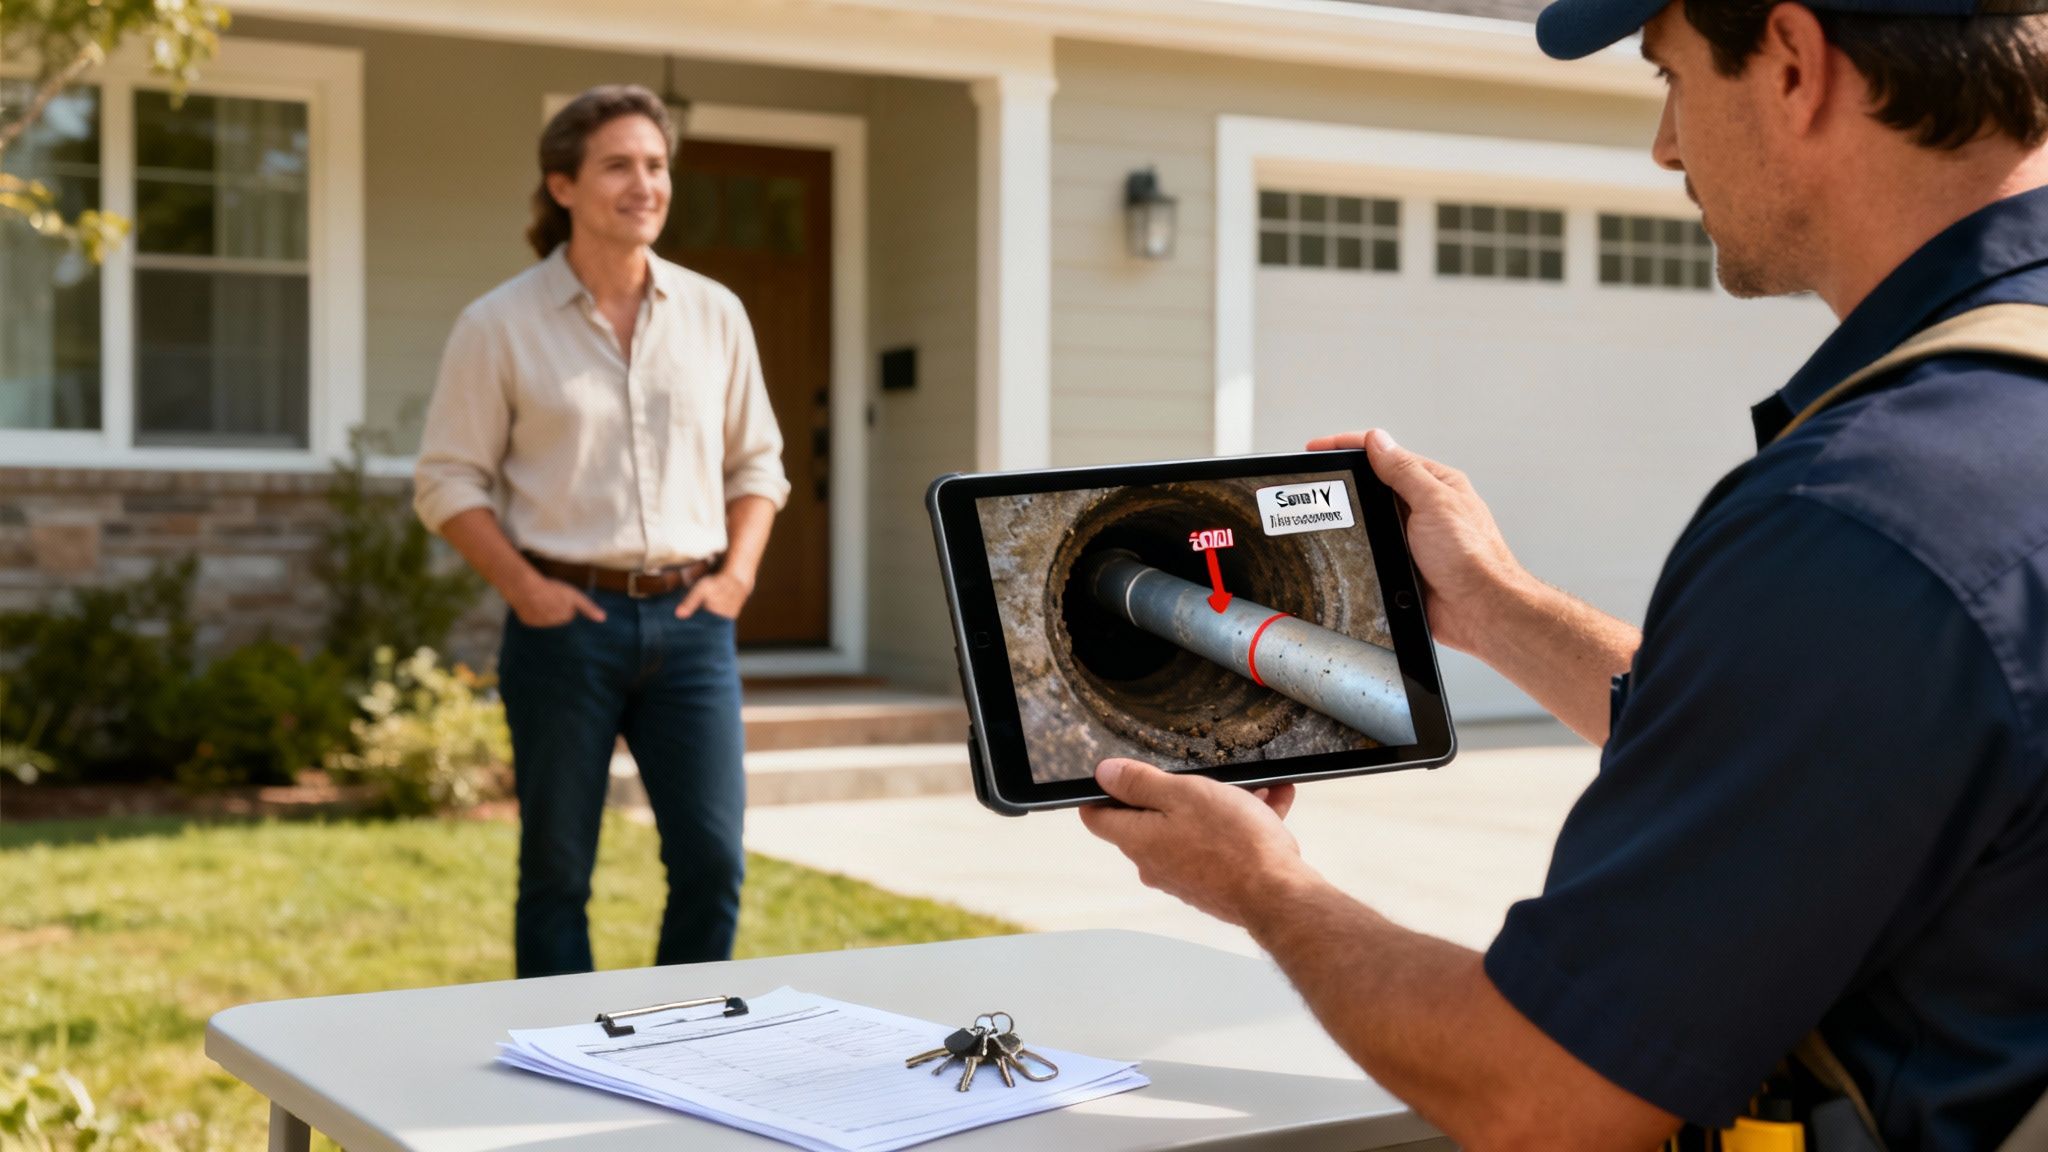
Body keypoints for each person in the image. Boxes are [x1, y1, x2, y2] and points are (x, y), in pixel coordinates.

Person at [1081, 3, 2048, 1148]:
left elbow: (1540, 1095)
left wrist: (1257, 884)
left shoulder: (1864, 515)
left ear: (1790, 64)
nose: (1665, 145)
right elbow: (1834, 740)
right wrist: (1492, 607)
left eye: (1670, 76)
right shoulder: (1975, 460)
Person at [413, 86, 789, 979]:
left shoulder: (715, 315)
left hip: (694, 626)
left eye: (656, 165)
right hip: (561, 628)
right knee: (555, 874)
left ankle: (687, 1047)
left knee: (712, 861)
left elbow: (759, 467)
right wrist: (525, 589)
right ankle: (561, 1060)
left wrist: (735, 577)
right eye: (618, 165)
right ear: (563, 185)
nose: (644, 184)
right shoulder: (497, 325)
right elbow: (445, 481)